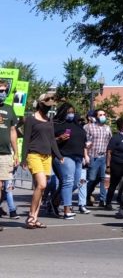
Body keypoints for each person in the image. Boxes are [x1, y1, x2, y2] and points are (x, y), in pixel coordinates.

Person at [22, 92, 64, 229]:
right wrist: (23, 159)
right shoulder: (30, 119)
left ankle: (35, 218)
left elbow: (52, 140)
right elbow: (26, 139)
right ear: (40, 104)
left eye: (51, 105)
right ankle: (30, 216)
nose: (49, 107)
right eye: (46, 104)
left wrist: (59, 155)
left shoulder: (49, 120)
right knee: (42, 185)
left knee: (40, 189)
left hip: (47, 156)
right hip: (34, 155)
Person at [54, 102, 90, 219]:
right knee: (68, 181)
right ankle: (67, 210)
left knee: (76, 183)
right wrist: (59, 138)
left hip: (78, 157)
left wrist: (86, 148)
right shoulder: (56, 125)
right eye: (68, 112)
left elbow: (83, 140)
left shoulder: (78, 125)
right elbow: (50, 141)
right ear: (63, 113)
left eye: (72, 112)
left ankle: (54, 201)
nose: (71, 114)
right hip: (64, 156)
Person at [0, 80, 18, 231]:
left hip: (5, 154)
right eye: (0, 90)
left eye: (4, 90)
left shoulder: (9, 109)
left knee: (2, 187)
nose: (2, 93)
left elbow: (13, 132)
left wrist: (16, 153)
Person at [84, 108, 112, 207]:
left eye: (104, 114)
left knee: (104, 178)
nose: (103, 116)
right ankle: (86, 196)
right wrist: (86, 155)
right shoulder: (89, 127)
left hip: (104, 157)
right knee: (91, 179)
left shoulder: (108, 128)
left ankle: (102, 200)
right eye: (100, 115)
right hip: (93, 156)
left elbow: (110, 142)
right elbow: (85, 141)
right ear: (96, 117)